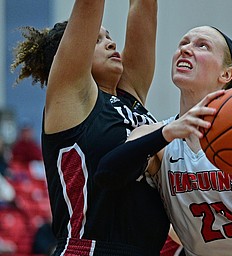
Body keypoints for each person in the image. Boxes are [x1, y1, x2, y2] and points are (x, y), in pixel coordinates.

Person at [95, 26, 232, 255]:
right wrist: (169, 132)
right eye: (183, 43)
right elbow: (107, 173)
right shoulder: (156, 135)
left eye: (202, 45)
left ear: (226, 75)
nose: (186, 49)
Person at [11, 0, 170, 255]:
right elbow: (88, 5)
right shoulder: (70, 98)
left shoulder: (130, 96)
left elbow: (145, 7)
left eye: (108, 37)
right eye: (97, 40)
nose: (111, 43)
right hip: (89, 249)